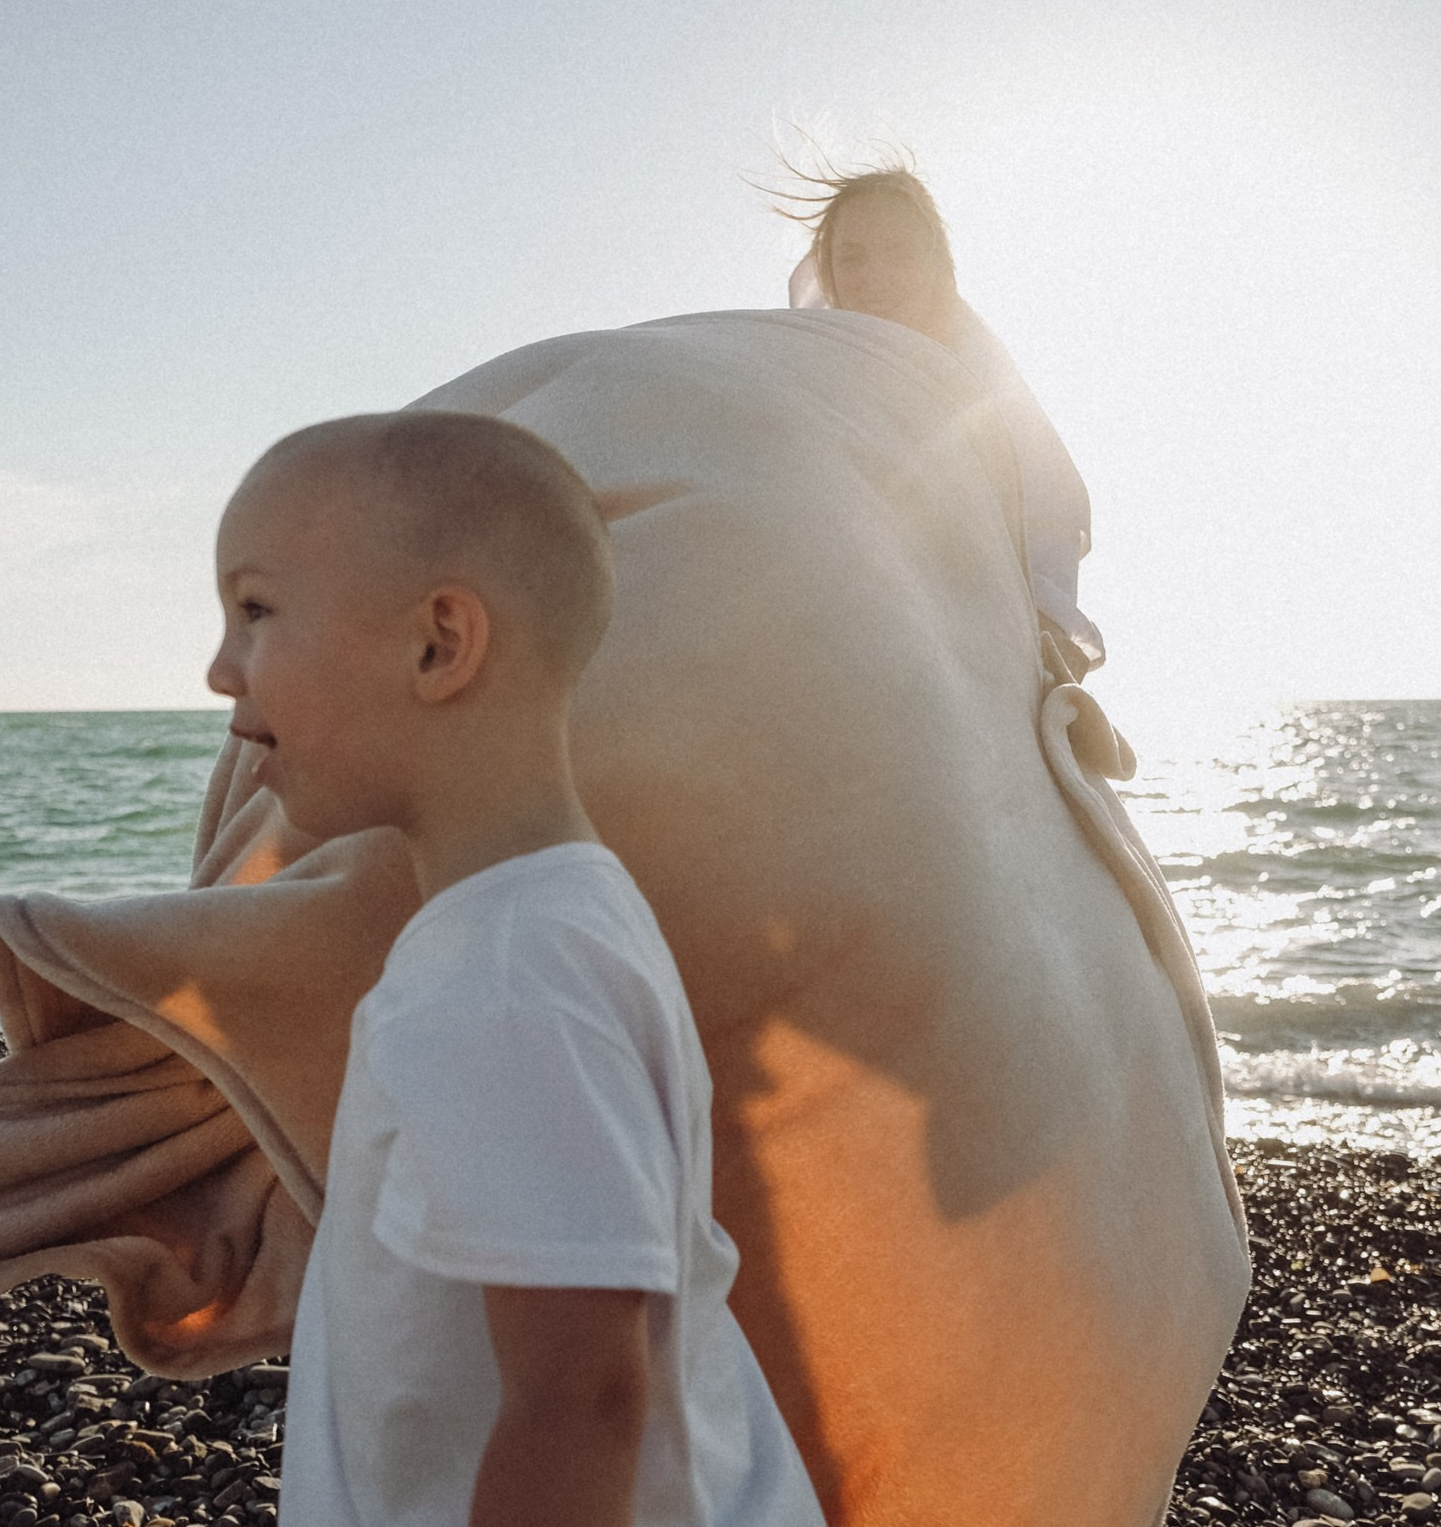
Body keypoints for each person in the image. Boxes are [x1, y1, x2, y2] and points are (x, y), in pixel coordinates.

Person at [204, 410, 825, 1527]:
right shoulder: (547, 918)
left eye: (255, 610)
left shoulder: (507, 973)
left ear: (440, 642)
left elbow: (580, 1397)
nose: (218, 668)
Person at [771, 159, 1108, 677]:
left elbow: (1046, 512)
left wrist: (1042, 633)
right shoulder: (798, 391)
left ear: (936, 267)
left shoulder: (987, 392)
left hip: (973, 655)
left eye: (899, 254)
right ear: (830, 272)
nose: (874, 277)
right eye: (853, 258)